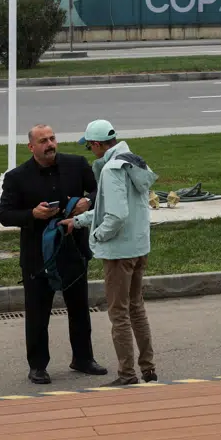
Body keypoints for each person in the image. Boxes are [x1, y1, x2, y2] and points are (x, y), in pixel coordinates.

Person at [0, 123, 108, 385]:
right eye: (43, 141)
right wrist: (31, 214)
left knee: (79, 307)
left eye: (52, 138)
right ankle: (38, 366)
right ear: (31, 147)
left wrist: (87, 202)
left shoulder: (77, 164)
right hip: (38, 256)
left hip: (73, 249)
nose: (50, 145)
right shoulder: (17, 177)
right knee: (38, 312)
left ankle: (83, 358)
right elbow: (4, 215)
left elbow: (98, 191)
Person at [63, 120, 159, 388]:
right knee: (137, 308)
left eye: (89, 145)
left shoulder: (112, 170)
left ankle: (127, 374)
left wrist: (96, 235)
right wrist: (79, 221)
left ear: (96, 144)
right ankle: (148, 368)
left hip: (119, 253)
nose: (90, 150)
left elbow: (115, 216)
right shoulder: (134, 161)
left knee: (119, 313)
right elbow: (118, 208)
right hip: (139, 248)